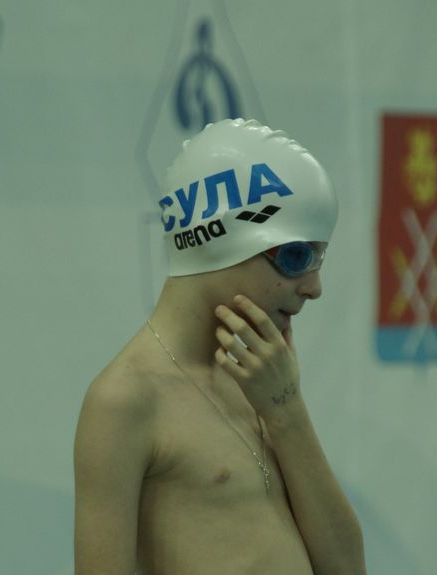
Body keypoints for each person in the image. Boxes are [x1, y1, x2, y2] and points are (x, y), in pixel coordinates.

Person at [74, 119, 366, 575]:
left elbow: (346, 567)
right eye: (296, 257)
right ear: (219, 241)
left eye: (319, 258)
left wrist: (287, 411)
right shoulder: (126, 399)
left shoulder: (258, 374)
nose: (314, 287)